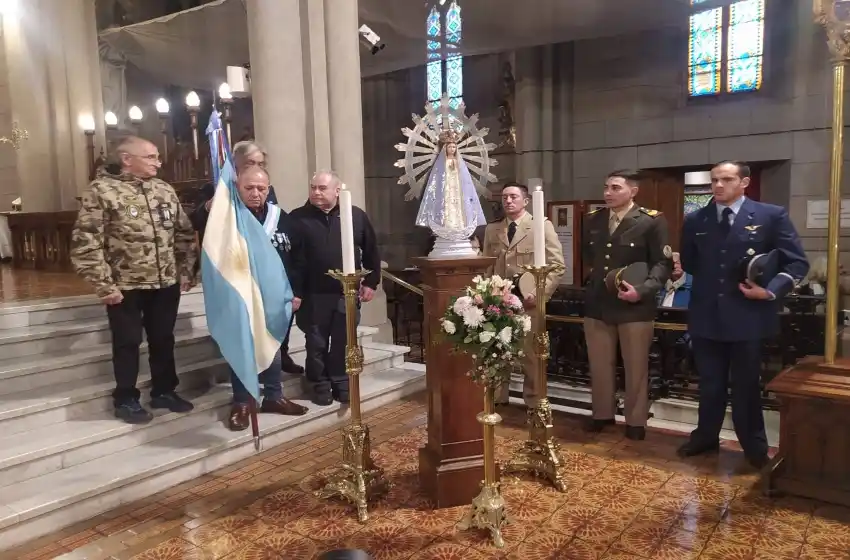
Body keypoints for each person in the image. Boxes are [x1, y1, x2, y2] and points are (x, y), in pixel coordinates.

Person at [678, 160, 808, 469]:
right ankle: (705, 436)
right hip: (707, 316)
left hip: (748, 316)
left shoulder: (769, 216)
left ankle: (754, 446)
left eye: (726, 179)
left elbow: (796, 263)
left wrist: (770, 291)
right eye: (714, 180)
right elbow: (693, 264)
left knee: (747, 386)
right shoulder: (697, 219)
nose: (718, 185)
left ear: (744, 182)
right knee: (709, 384)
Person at [71, 136, 197, 424]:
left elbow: (184, 233)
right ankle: (126, 397)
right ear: (127, 159)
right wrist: (103, 284)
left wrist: (185, 270)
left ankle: (164, 390)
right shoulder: (102, 191)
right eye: (151, 157)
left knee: (163, 339)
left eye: (157, 157)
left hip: (165, 282)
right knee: (127, 342)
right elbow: (86, 242)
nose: (158, 162)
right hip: (125, 284)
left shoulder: (164, 190)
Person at [194, 166, 308, 429]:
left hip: (275, 295)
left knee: (274, 344)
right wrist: (209, 206)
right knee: (242, 347)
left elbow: (299, 258)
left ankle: (274, 396)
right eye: (249, 188)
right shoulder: (226, 215)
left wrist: (297, 292)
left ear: (269, 189)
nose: (256, 193)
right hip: (240, 295)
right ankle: (243, 402)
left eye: (262, 188)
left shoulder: (281, 218)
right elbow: (196, 222)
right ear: (237, 187)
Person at [191, 141, 302, 376]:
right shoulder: (217, 187)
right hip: (237, 270)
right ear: (236, 164)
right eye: (251, 163)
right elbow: (196, 221)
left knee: (276, 318)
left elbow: (272, 224)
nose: (257, 167)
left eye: (261, 163)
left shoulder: (264, 189)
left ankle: (279, 355)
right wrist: (211, 206)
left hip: (267, 270)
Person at [582, 169, 671, 440]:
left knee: (635, 366)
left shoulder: (650, 221)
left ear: (633, 191)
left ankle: (635, 421)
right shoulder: (593, 220)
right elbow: (590, 257)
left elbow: (662, 262)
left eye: (616, 188)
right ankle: (602, 414)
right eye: (606, 187)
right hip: (599, 304)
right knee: (599, 364)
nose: (608, 193)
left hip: (635, 305)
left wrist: (642, 290)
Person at [289, 170, 381, 406]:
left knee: (343, 340)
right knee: (316, 342)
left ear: (337, 191)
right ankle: (319, 383)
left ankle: (341, 382)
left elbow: (371, 250)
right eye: (313, 188)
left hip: (345, 293)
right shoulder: (298, 218)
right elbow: (293, 260)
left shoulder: (355, 216)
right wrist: (295, 292)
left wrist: (371, 282)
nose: (316, 192)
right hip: (313, 294)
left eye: (322, 188)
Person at [483, 183, 565, 406]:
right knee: (498, 351)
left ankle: (534, 403)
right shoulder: (493, 229)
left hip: (528, 302)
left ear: (526, 201)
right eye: (505, 197)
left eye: (514, 197)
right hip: (499, 302)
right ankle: (498, 399)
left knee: (530, 356)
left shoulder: (540, 226)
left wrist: (539, 294)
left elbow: (557, 266)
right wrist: (487, 294)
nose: (508, 201)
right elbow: (487, 265)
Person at [411, 129, 486, 251]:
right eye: (450, 147)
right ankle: (446, 226)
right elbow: (437, 181)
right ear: (445, 148)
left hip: (457, 191)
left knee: (459, 209)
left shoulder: (459, 162)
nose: (452, 149)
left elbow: (465, 180)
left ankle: (460, 226)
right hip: (445, 192)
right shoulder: (440, 164)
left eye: (454, 147)